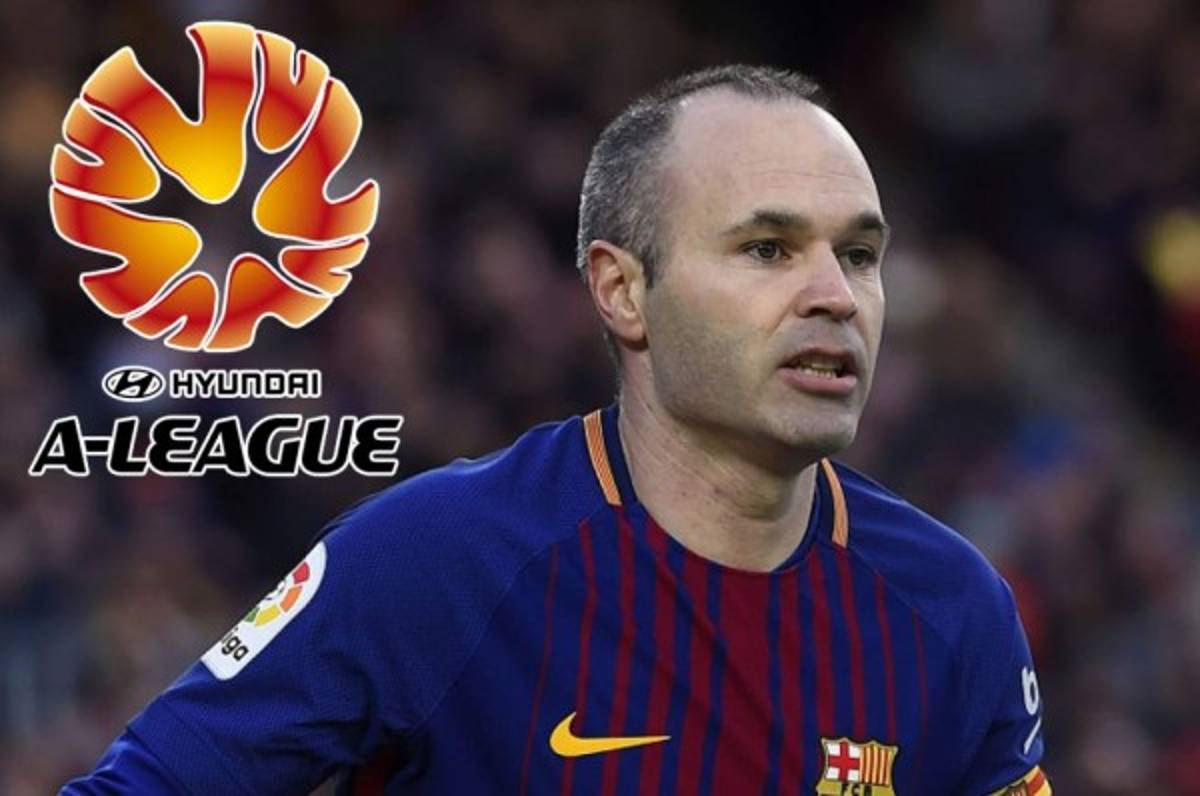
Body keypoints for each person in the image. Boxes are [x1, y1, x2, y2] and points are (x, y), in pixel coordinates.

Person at [63, 65, 1050, 795]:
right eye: (767, 248)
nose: (835, 295)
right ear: (623, 291)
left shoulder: (953, 608)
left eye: (860, 255)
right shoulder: (433, 560)